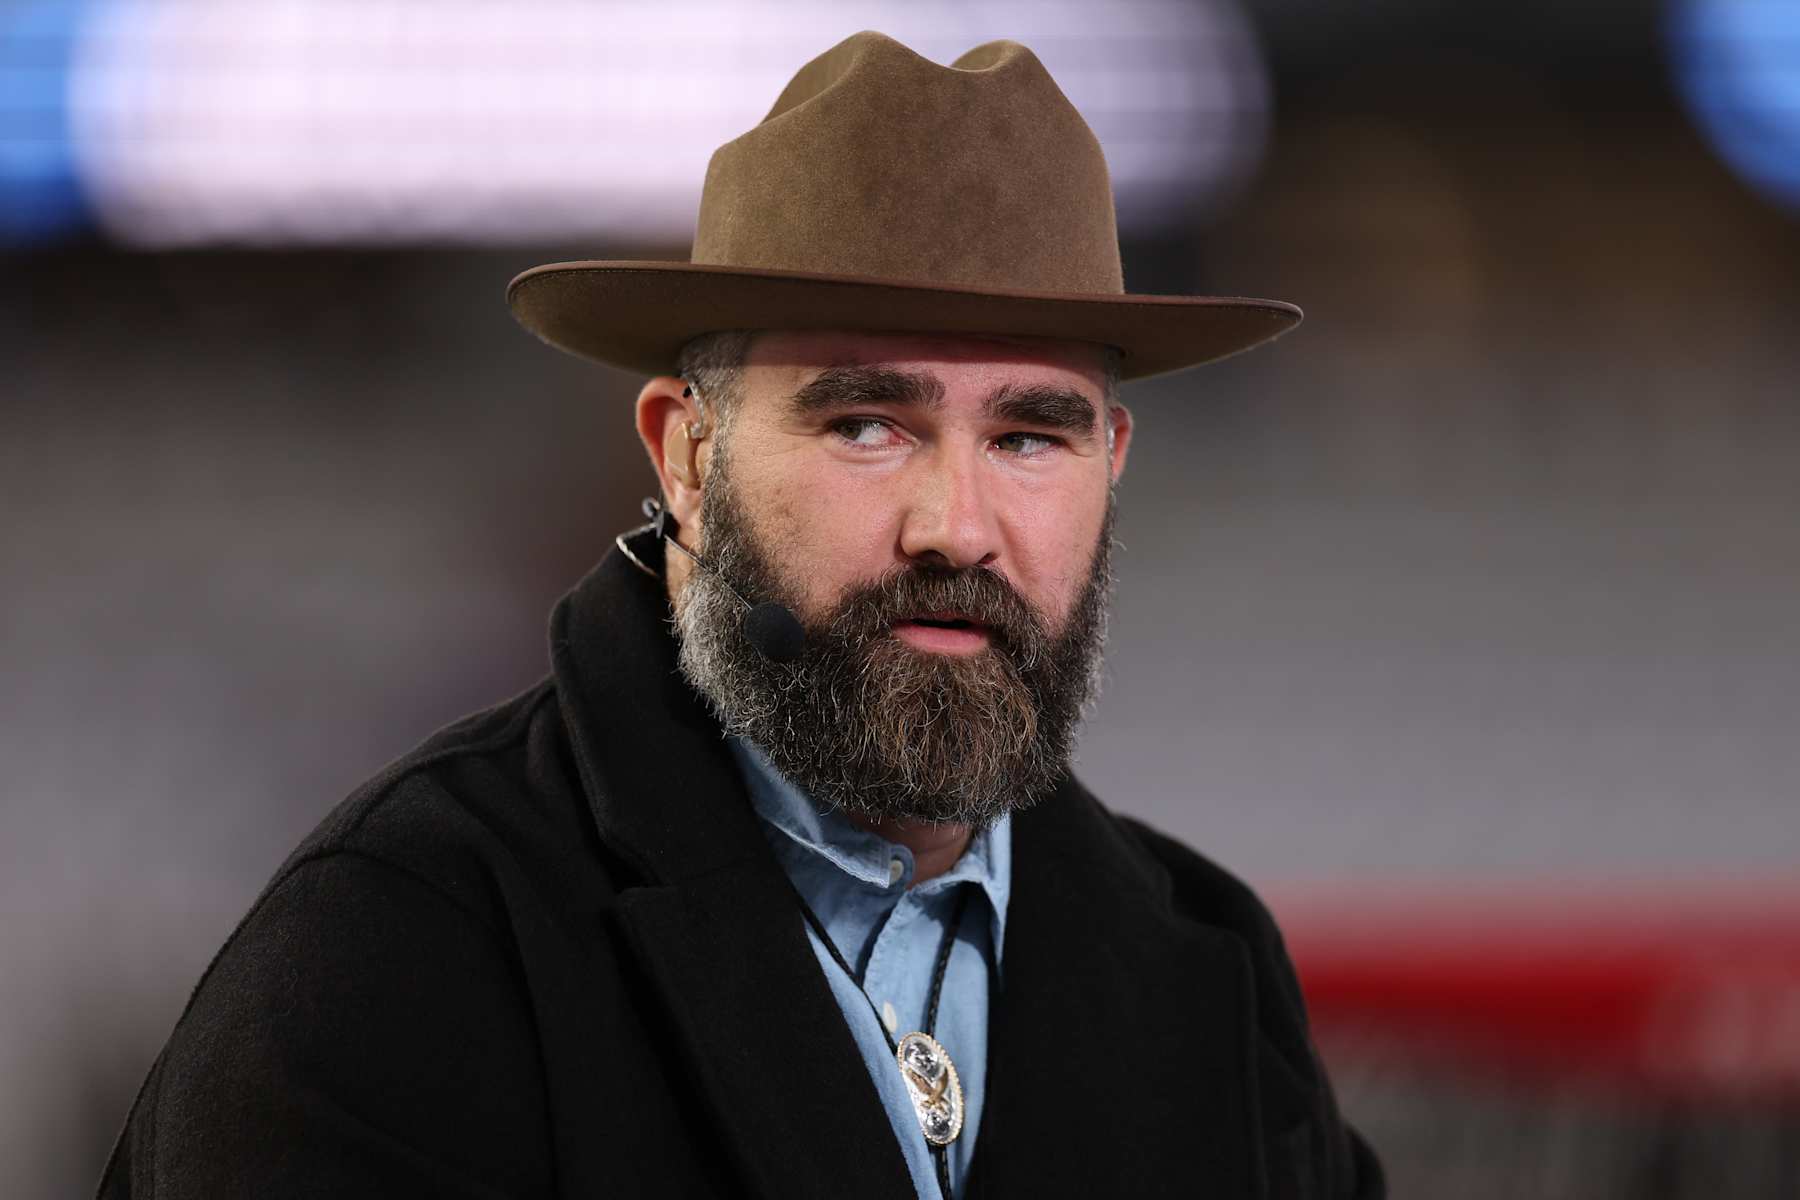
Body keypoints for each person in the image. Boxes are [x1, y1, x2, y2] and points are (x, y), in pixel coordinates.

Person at [98, 30, 1382, 1200]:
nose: (958, 522)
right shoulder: (397, 953)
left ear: (1112, 464)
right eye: (867, 424)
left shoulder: (1207, 979)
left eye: (1030, 435)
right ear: (688, 464)